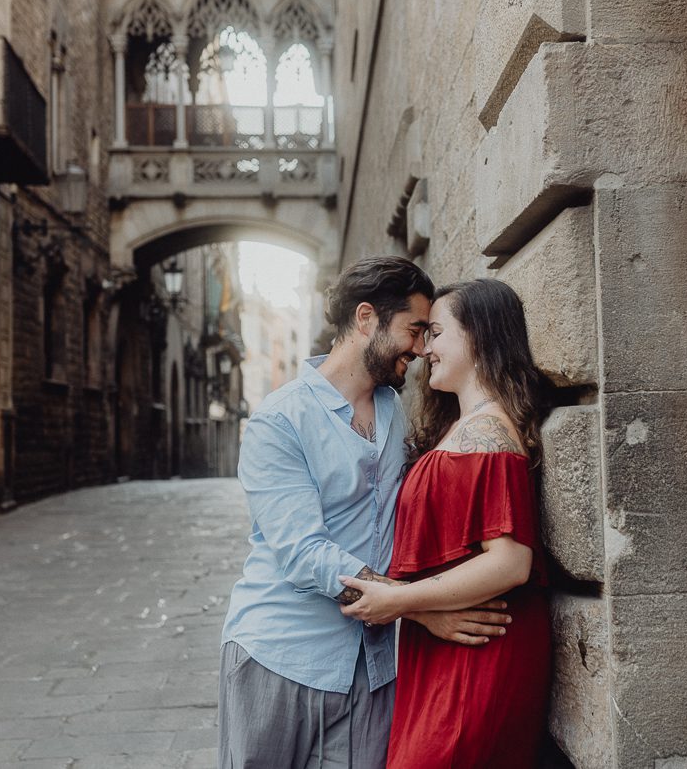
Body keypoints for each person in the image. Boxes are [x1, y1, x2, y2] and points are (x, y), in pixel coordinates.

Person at [218, 257, 512, 769]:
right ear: (366, 318)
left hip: (374, 666)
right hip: (282, 654)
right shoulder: (279, 420)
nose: (421, 350)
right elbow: (305, 554)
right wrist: (418, 607)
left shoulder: (397, 411)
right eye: (414, 330)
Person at [338, 278, 553, 769]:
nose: (424, 348)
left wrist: (399, 601)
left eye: (435, 333)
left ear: (477, 335)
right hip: (445, 642)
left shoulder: (490, 432)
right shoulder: (463, 427)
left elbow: (511, 562)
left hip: (480, 648)